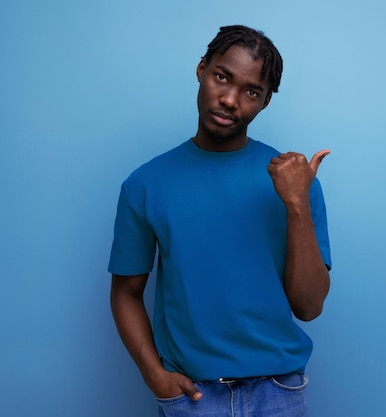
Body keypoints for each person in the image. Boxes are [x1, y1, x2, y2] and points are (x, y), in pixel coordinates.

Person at [108, 25, 332, 417]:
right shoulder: (146, 183)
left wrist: (297, 203)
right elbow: (126, 292)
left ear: (264, 103)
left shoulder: (296, 183)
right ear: (201, 70)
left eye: (251, 91)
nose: (229, 99)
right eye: (222, 77)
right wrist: (153, 374)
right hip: (192, 397)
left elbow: (309, 307)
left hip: (279, 391)